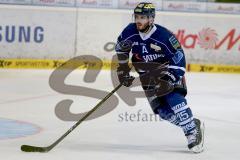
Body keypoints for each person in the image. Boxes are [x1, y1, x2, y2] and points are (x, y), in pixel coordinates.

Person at [115, 2, 205, 153]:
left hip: (167, 71)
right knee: (162, 112)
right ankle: (191, 123)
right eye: (137, 16)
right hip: (147, 77)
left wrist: (170, 77)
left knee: (174, 99)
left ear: (151, 19)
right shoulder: (130, 31)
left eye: (142, 17)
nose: (138, 20)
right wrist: (123, 69)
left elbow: (179, 57)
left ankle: (191, 132)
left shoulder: (164, 36)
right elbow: (121, 48)